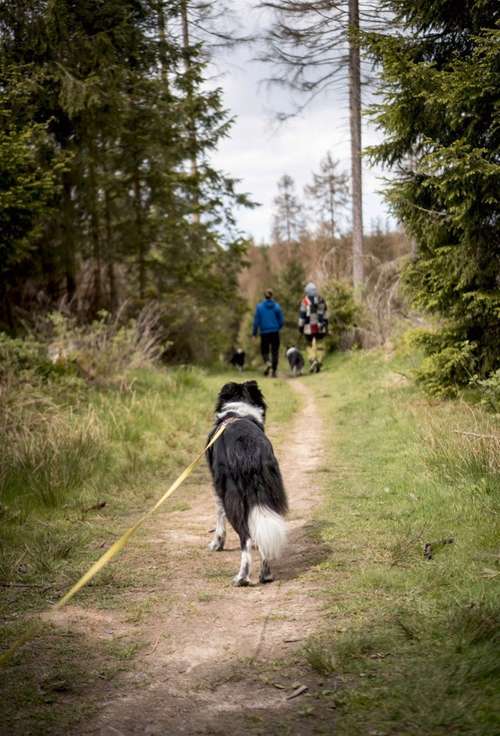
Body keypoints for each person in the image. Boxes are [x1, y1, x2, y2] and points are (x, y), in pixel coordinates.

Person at [252, 288, 284, 377]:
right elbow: (281, 320)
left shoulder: (259, 307)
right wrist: (278, 327)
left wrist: (254, 333)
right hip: (275, 332)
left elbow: (256, 321)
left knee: (264, 350)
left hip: (264, 333)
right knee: (275, 351)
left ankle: (268, 362)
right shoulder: (277, 306)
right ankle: (274, 371)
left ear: (264, 296)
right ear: (272, 295)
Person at [298, 282, 328, 373]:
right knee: (320, 345)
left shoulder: (305, 301)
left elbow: (302, 316)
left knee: (309, 345)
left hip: (308, 328)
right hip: (320, 327)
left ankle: (313, 360)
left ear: (307, 291)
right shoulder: (321, 300)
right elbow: (325, 314)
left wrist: (300, 327)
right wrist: (325, 323)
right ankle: (318, 361)